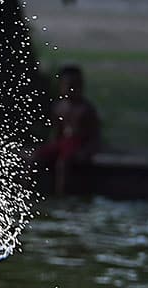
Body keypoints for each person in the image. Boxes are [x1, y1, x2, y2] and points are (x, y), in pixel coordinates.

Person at [33, 65, 100, 195]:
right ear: (61, 86)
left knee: (63, 165)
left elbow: (95, 136)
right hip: (62, 143)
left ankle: (61, 195)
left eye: (76, 85)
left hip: (77, 144)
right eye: (69, 85)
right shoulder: (59, 107)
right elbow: (56, 133)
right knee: (35, 157)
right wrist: (50, 146)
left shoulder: (86, 109)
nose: (72, 89)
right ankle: (30, 192)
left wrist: (87, 151)